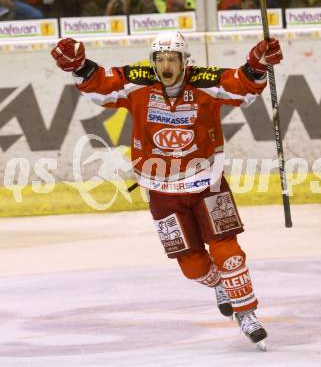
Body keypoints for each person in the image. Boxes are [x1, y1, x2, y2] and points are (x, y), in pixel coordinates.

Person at [51, 31, 283, 349]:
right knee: (193, 267)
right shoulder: (139, 81)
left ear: (185, 61)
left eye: (172, 58)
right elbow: (101, 87)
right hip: (160, 189)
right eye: (160, 59)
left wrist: (257, 63)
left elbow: (243, 87)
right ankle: (219, 285)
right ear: (153, 62)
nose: (165, 64)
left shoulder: (204, 81)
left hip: (207, 183)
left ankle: (247, 313)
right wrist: (80, 66)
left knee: (228, 253)